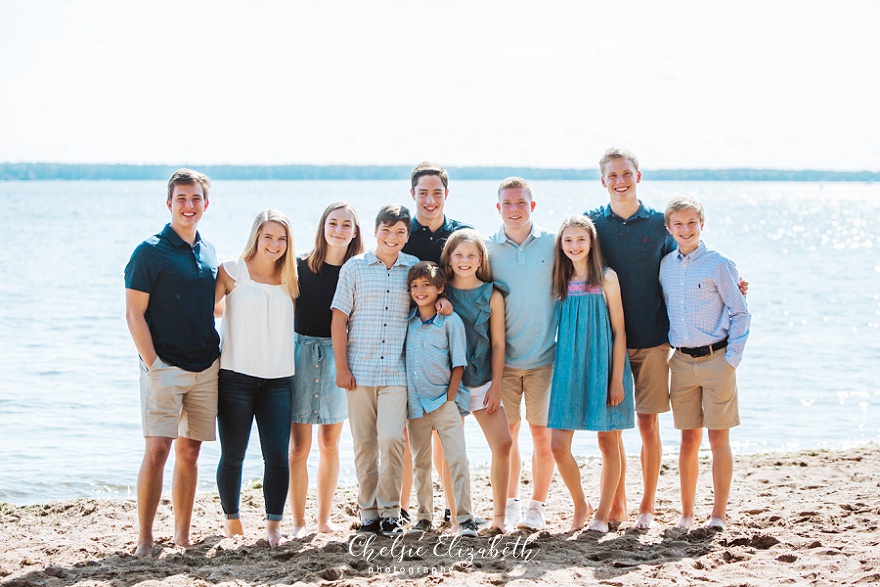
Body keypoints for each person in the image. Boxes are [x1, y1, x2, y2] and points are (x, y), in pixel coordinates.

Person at [586, 147, 748, 530]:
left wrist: (737, 285)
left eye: (627, 173)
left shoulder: (660, 223)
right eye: (613, 175)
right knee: (609, 429)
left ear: (638, 176)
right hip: (607, 342)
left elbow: (693, 263)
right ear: (603, 181)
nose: (620, 181)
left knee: (647, 426)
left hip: (655, 341)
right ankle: (617, 505)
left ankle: (647, 506)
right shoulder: (593, 224)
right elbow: (570, 257)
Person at [124, 169, 219, 559]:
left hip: (206, 367)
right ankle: (145, 539)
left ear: (205, 204)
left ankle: (182, 535)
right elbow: (134, 315)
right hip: (163, 367)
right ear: (169, 204)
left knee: (191, 452)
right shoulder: (149, 251)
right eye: (181, 198)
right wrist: (153, 364)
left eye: (195, 198)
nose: (189, 205)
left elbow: (215, 305)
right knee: (158, 449)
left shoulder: (208, 251)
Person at [659, 196, 750, 531]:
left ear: (702, 224)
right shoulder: (665, 266)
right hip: (680, 363)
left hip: (717, 361)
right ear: (669, 228)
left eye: (691, 223)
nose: (685, 229)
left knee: (718, 439)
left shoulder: (718, 264)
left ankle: (718, 514)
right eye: (678, 224)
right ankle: (686, 514)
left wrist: (732, 360)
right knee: (687, 440)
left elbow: (741, 312)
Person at [330, 204, 418, 536]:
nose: (392, 237)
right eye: (386, 230)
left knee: (393, 439)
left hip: (397, 373)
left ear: (407, 236)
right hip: (359, 372)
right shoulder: (354, 268)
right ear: (376, 230)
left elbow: (428, 302)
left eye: (400, 232)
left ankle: (392, 510)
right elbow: (339, 319)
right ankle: (369, 512)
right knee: (364, 444)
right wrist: (342, 368)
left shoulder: (413, 269)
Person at [214, 209, 298, 547]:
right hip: (235, 375)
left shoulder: (293, 277)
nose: (275, 244)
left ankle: (274, 525)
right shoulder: (231, 271)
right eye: (269, 236)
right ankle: (232, 520)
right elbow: (202, 312)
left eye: (282, 238)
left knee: (277, 455)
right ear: (256, 237)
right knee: (233, 454)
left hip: (279, 380)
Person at [400, 161, 476, 526]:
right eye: (422, 193)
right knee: (410, 441)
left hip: (446, 337)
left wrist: (447, 304)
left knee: (450, 440)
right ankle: (406, 509)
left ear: (447, 194)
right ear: (412, 194)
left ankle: (452, 506)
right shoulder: (404, 234)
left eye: (436, 192)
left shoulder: (461, 233)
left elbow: (473, 276)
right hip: (409, 337)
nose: (429, 200)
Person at [547, 216, 634, 533]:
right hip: (568, 369)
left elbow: (619, 331)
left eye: (580, 239)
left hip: (604, 367)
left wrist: (616, 379)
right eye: (568, 240)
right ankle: (581, 504)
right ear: (561, 244)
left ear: (592, 242)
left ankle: (602, 515)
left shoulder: (607, 278)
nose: (574, 246)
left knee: (608, 443)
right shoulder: (561, 280)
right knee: (557, 445)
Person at [487, 177, 557, 530]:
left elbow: (588, 272)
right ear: (498, 208)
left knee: (543, 436)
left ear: (533, 205)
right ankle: (511, 502)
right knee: (508, 436)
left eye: (521, 203)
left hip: (545, 358)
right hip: (504, 363)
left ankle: (538, 506)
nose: (514, 209)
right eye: (507, 204)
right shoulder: (487, 249)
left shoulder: (554, 243)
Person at [289, 202, 364, 537]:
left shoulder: (358, 270)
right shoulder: (299, 266)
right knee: (299, 447)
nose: (339, 230)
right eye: (333, 223)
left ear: (355, 231)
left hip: (339, 358)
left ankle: (323, 520)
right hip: (300, 355)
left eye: (346, 225)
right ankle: (298, 522)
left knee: (330, 443)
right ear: (322, 227)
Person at [441, 229, 514, 533]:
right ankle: (460, 516)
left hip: (484, 380)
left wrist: (496, 385)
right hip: (450, 386)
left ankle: (499, 518)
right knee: (452, 452)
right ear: (449, 258)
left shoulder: (492, 294)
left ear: (481, 258)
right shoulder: (441, 293)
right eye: (458, 254)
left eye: (471, 255)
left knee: (504, 443)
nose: (465, 260)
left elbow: (498, 344)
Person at [404, 261, 479, 537]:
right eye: (414, 286)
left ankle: (465, 518)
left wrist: (450, 398)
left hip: (445, 403)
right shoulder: (408, 322)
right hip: (416, 405)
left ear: (440, 289)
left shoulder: (450, 321)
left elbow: (458, 363)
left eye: (426, 285)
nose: (420, 290)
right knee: (420, 463)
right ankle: (423, 518)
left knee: (457, 459)